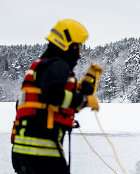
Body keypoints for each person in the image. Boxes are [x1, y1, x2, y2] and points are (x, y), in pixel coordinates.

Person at [11, 19, 103, 174]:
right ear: (68, 44)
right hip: (41, 151)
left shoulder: (41, 66)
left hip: (23, 150)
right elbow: (53, 96)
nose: (79, 53)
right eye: (78, 46)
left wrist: (81, 90)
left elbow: (46, 104)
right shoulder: (57, 64)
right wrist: (85, 100)